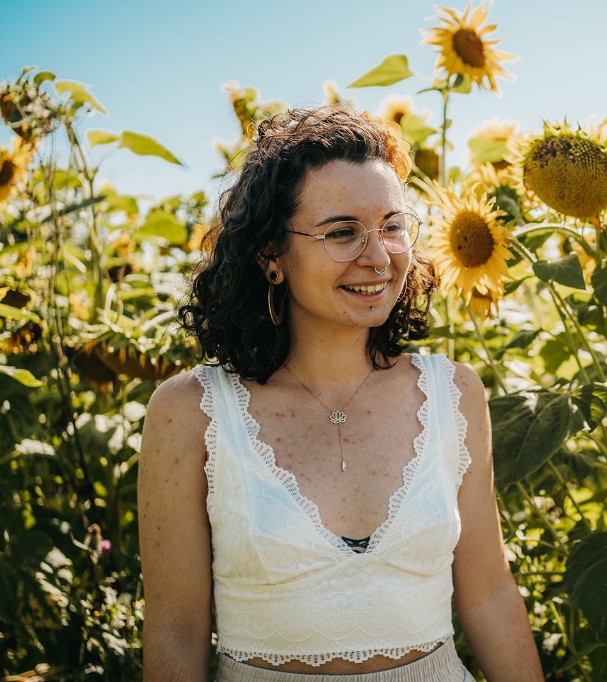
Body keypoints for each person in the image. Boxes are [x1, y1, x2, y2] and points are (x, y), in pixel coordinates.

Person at [138, 105, 543, 681]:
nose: (378, 257)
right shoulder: (190, 413)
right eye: (342, 232)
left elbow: (490, 595)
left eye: (393, 226)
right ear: (270, 255)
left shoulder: (454, 394)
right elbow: (176, 632)